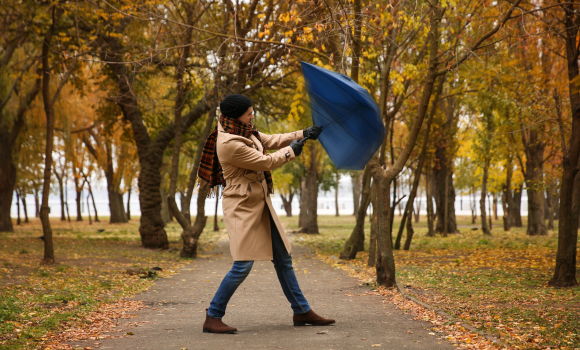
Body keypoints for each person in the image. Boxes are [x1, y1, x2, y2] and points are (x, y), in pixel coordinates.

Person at [198, 94, 335, 334]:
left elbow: (269, 140)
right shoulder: (230, 142)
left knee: (283, 258)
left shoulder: (242, 129)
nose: (253, 116)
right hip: (241, 205)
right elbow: (265, 162)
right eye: (249, 113)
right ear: (235, 116)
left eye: (253, 111)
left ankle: (301, 310)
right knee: (242, 264)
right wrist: (291, 152)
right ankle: (213, 316)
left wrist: (303, 133)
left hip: (258, 202)